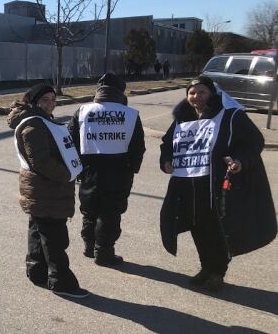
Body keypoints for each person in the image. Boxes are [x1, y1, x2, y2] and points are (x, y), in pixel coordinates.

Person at [159, 76, 276, 291]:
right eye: (192, 92)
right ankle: (206, 267)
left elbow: (254, 141)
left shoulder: (230, 115)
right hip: (187, 185)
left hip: (215, 183)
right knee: (197, 226)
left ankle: (218, 272)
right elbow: (167, 144)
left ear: (212, 93)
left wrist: (239, 161)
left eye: (202, 92)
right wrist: (165, 161)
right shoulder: (182, 118)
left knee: (215, 228)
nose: (196, 97)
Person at [8, 83, 88, 298]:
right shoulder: (33, 125)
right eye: (45, 100)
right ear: (34, 102)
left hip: (42, 190)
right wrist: (66, 174)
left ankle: (37, 272)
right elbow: (41, 162)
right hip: (46, 189)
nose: (51, 104)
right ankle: (62, 282)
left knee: (38, 230)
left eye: (53, 99)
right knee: (54, 237)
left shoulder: (42, 120)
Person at [68, 73, 145, 266]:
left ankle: (89, 246)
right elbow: (138, 146)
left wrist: (78, 167)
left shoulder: (82, 111)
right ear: (120, 90)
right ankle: (103, 252)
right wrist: (132, 168)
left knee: (89, 210)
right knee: (110, 213)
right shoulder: (130, 114)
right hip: (118, 171)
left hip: (89, 170)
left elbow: (70, 141)